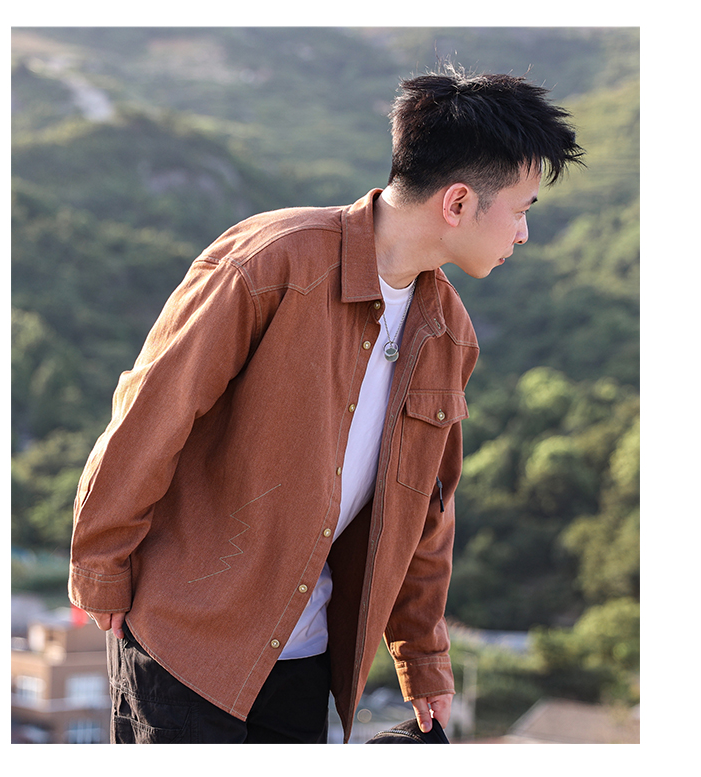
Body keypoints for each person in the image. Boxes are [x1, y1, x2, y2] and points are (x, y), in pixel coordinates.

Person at [68, 63, 584, 744]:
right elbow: (151, 410)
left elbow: (426, 510)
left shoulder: (450, 332)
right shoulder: (270, 261)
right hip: (185, 641)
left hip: (307, 663)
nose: (522, 234)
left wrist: (423, 659)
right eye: (521, 211)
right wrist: (99, 567)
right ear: (458, 203)